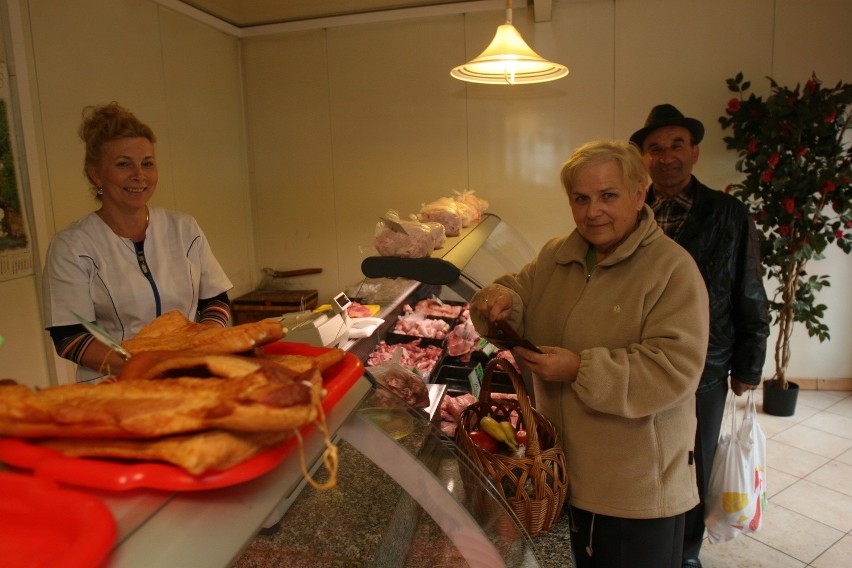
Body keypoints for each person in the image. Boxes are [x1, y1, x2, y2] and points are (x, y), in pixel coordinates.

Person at [470, 140, 709, 568]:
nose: (592, 211)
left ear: (640, 194)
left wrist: (580, 368)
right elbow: (518, 292)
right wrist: (498, 300)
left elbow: (673, 370)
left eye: (608, 196)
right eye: (581, 198)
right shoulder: (557, 255)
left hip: (634, 488)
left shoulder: (672, 269)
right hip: (562, 476)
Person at [630, 104, 770, 568]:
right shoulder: (631, 210)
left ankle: (686, 553)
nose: (667, 156)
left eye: (676, 145)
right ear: (643, 159)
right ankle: (647, 539)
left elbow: (748, 288)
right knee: (648, 455)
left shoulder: (729, 213)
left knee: (696, 460)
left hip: (705, 364)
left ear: (694, 152)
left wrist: (749, 365)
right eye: (655, 148)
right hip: (639, 359)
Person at [42, 102, 233, 383]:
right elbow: (69, 336)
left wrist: (202, 347)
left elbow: (215, 299)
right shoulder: (73, 246)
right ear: (96, 174)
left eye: (147, 163)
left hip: (189, 378)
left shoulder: (183, 229)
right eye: (123, 164)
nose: (139, 175)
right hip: (113, 386)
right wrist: (148, 365)